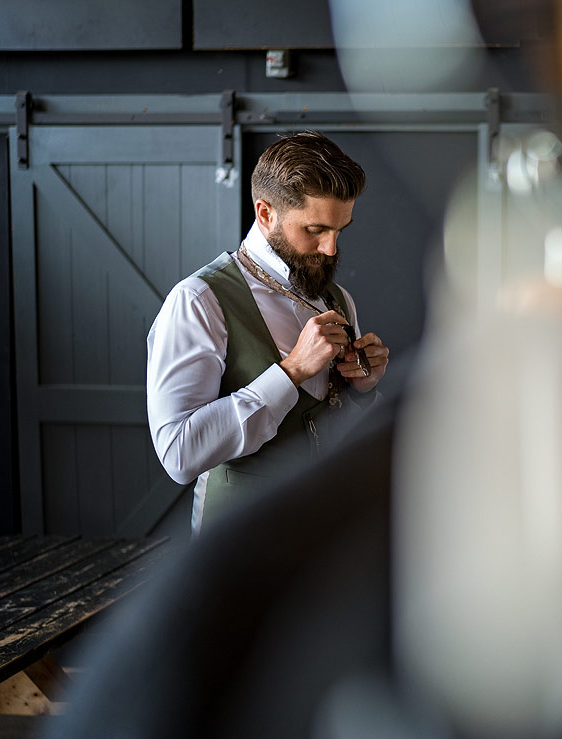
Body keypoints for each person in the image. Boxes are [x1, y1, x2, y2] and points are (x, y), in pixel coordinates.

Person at [146, 131, 389, 533]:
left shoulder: (337, 297)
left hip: (328, 533)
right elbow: (179, 454)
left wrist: (363, 392)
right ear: (265, 213)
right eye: (314, 230)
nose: (330, 249)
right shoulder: (198, 301)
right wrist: (291, 371)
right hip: (238, 544)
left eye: (339, 230)